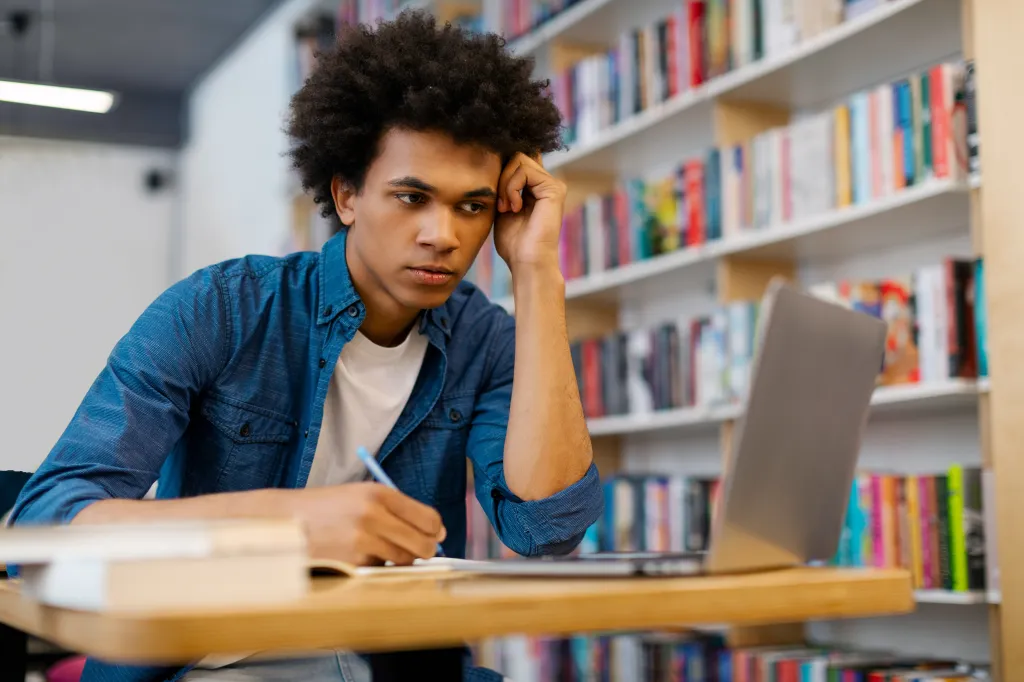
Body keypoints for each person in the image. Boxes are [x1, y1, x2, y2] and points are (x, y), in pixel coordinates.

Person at [8, 9, 603, 682]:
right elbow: (43, 529)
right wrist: (283, 527)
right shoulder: (221, 311)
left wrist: (538, 272)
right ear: (347, 195)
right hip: (205, 664)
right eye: (412, 197)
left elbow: (548, 529)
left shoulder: (485, 340)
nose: (444, 234)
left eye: (472, 205)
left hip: (394, 665)